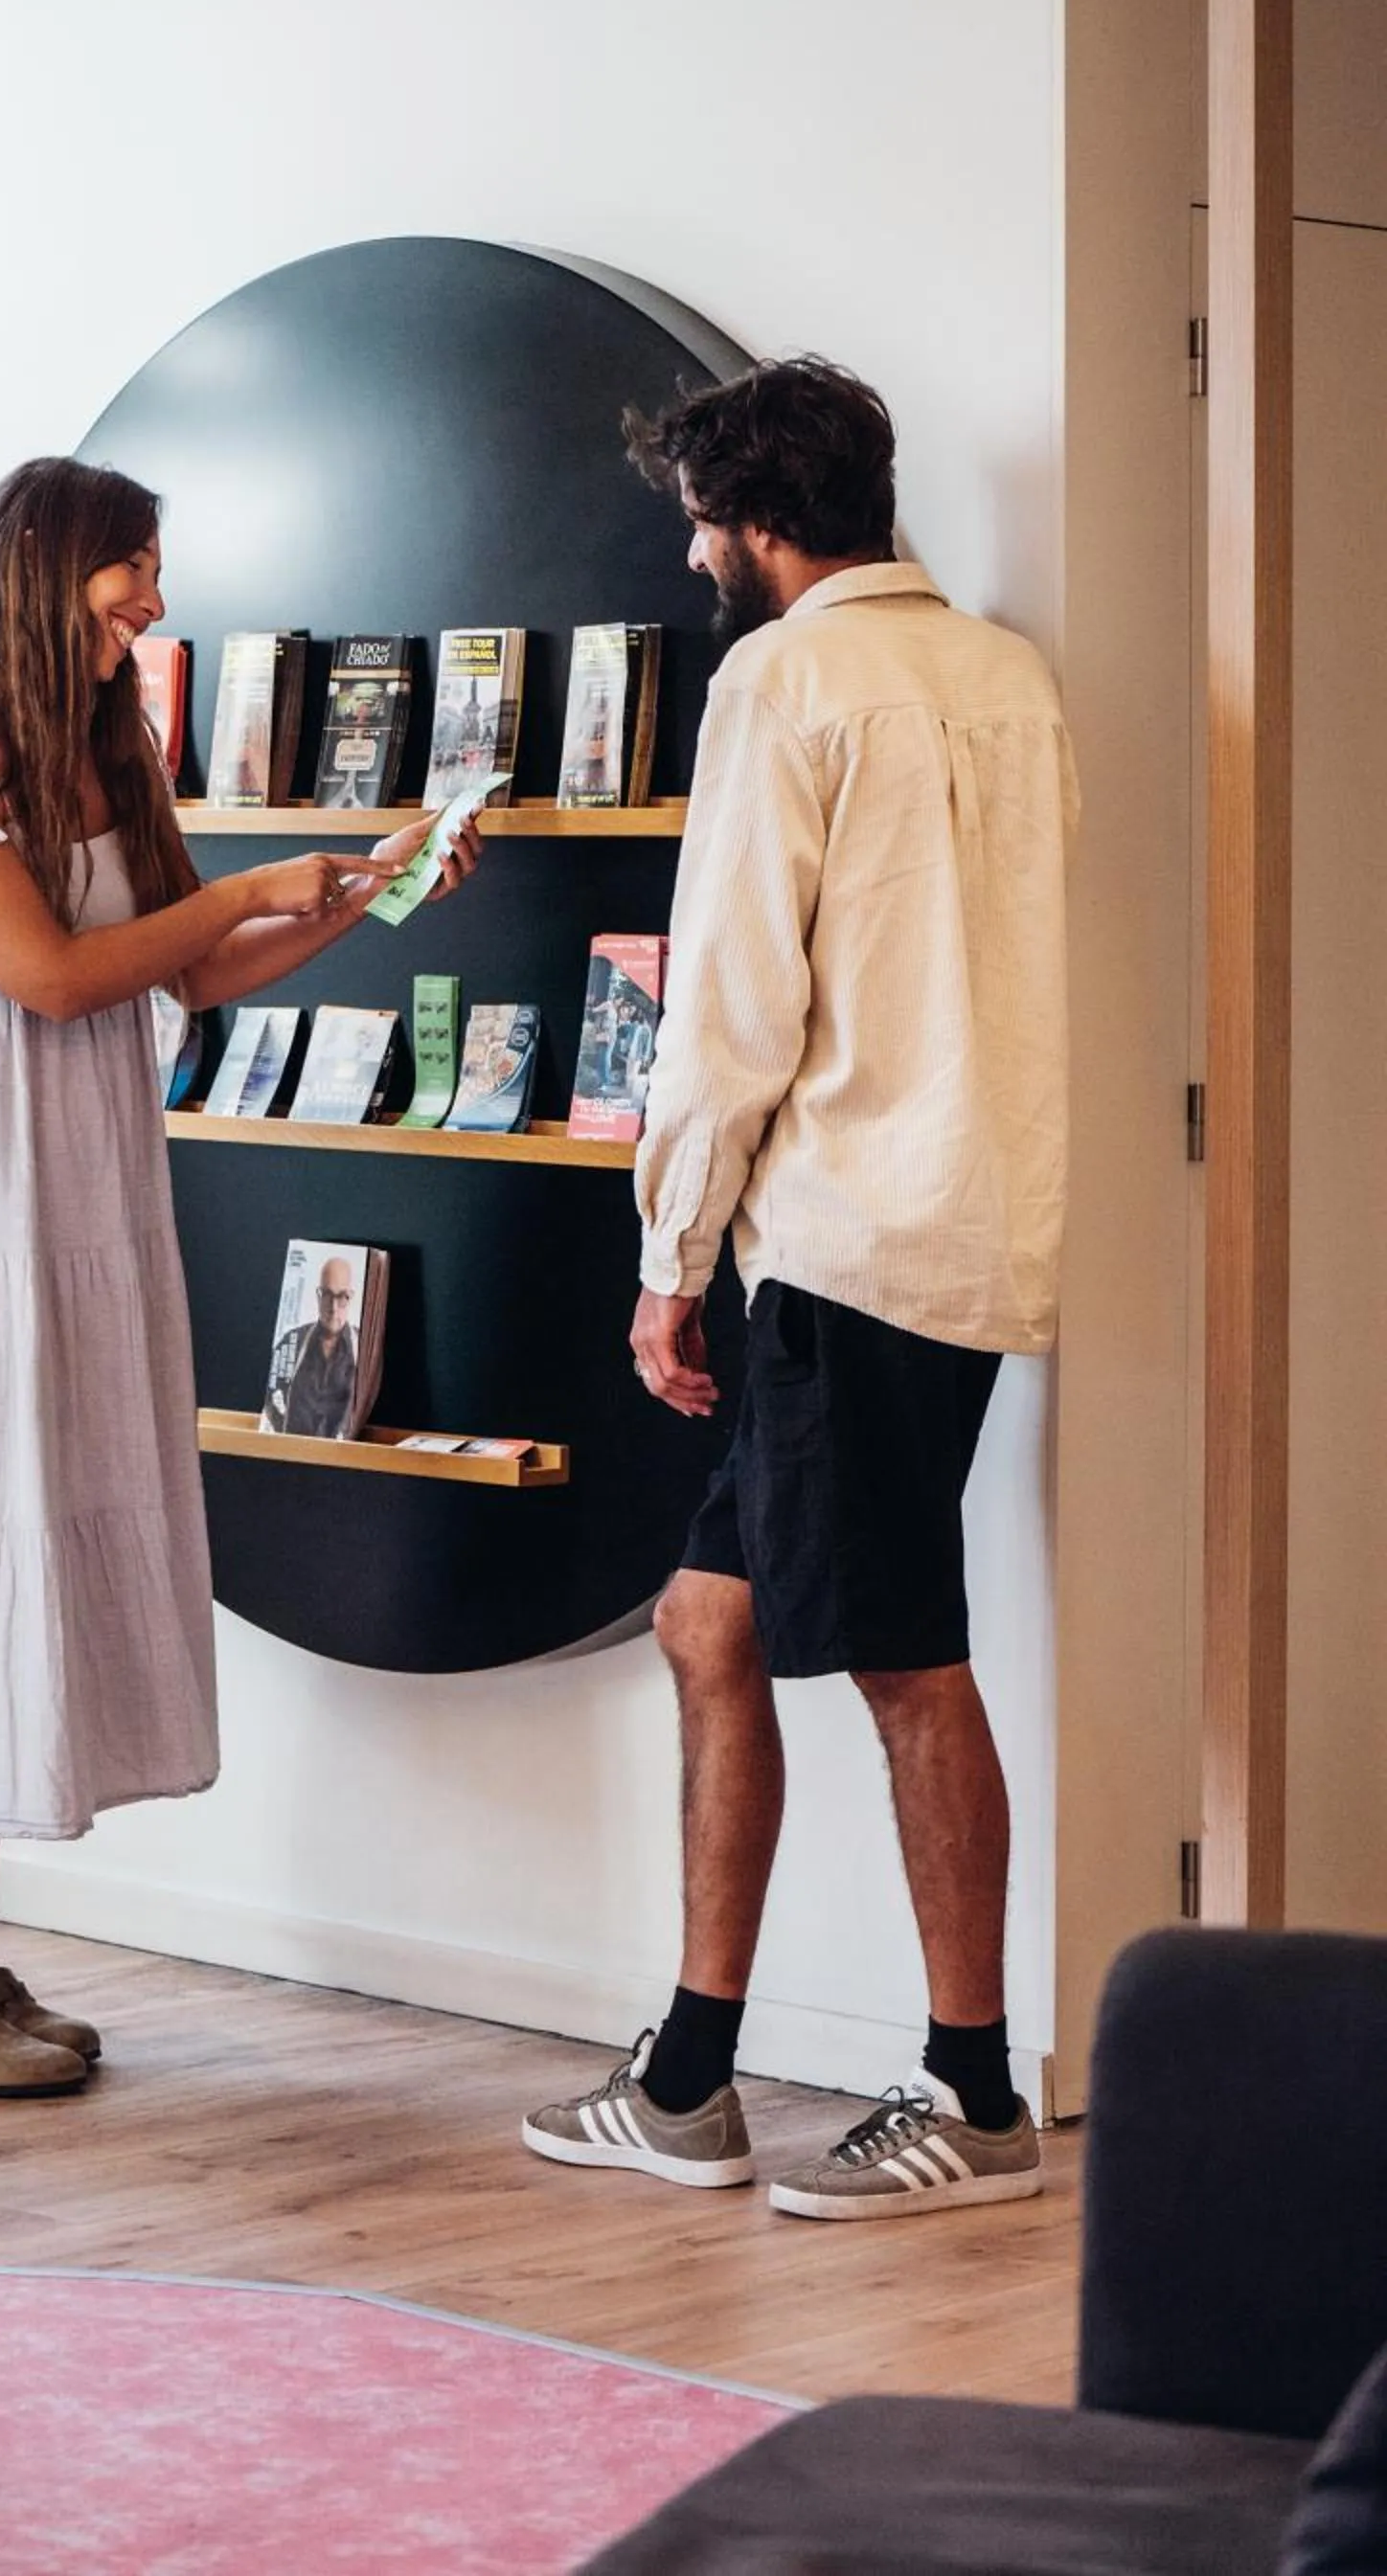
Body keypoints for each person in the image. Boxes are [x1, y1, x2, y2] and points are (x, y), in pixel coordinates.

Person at [0, 456, 479, 2099]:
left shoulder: (98, 748)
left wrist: (355, 901)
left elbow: (193, 970)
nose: (152, 605)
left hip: (66, 1208)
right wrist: (239, 886)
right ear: (48, 568)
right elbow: (55, 975)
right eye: (130, 574)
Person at [523, 359, 1078, 2215]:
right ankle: (689, 2075)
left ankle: (978, 2101)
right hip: (971, 1226)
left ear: (757, 520)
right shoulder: (1006, 676)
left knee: (909, 1670)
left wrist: (665, 1262)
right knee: (707, 1619)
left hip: (843, 1245)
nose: (693, 547)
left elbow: (731, 1003)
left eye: (699, 515)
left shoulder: (786, 680)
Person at [265, 1254, 359, 1438]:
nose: (333, 1307)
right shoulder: (291, 1342)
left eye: (342, 1296)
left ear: (351, 1298)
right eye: (327, 1294)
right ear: (318, 1295)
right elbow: (271, 1398)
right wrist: (285, 1433)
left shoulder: (363, 1348)